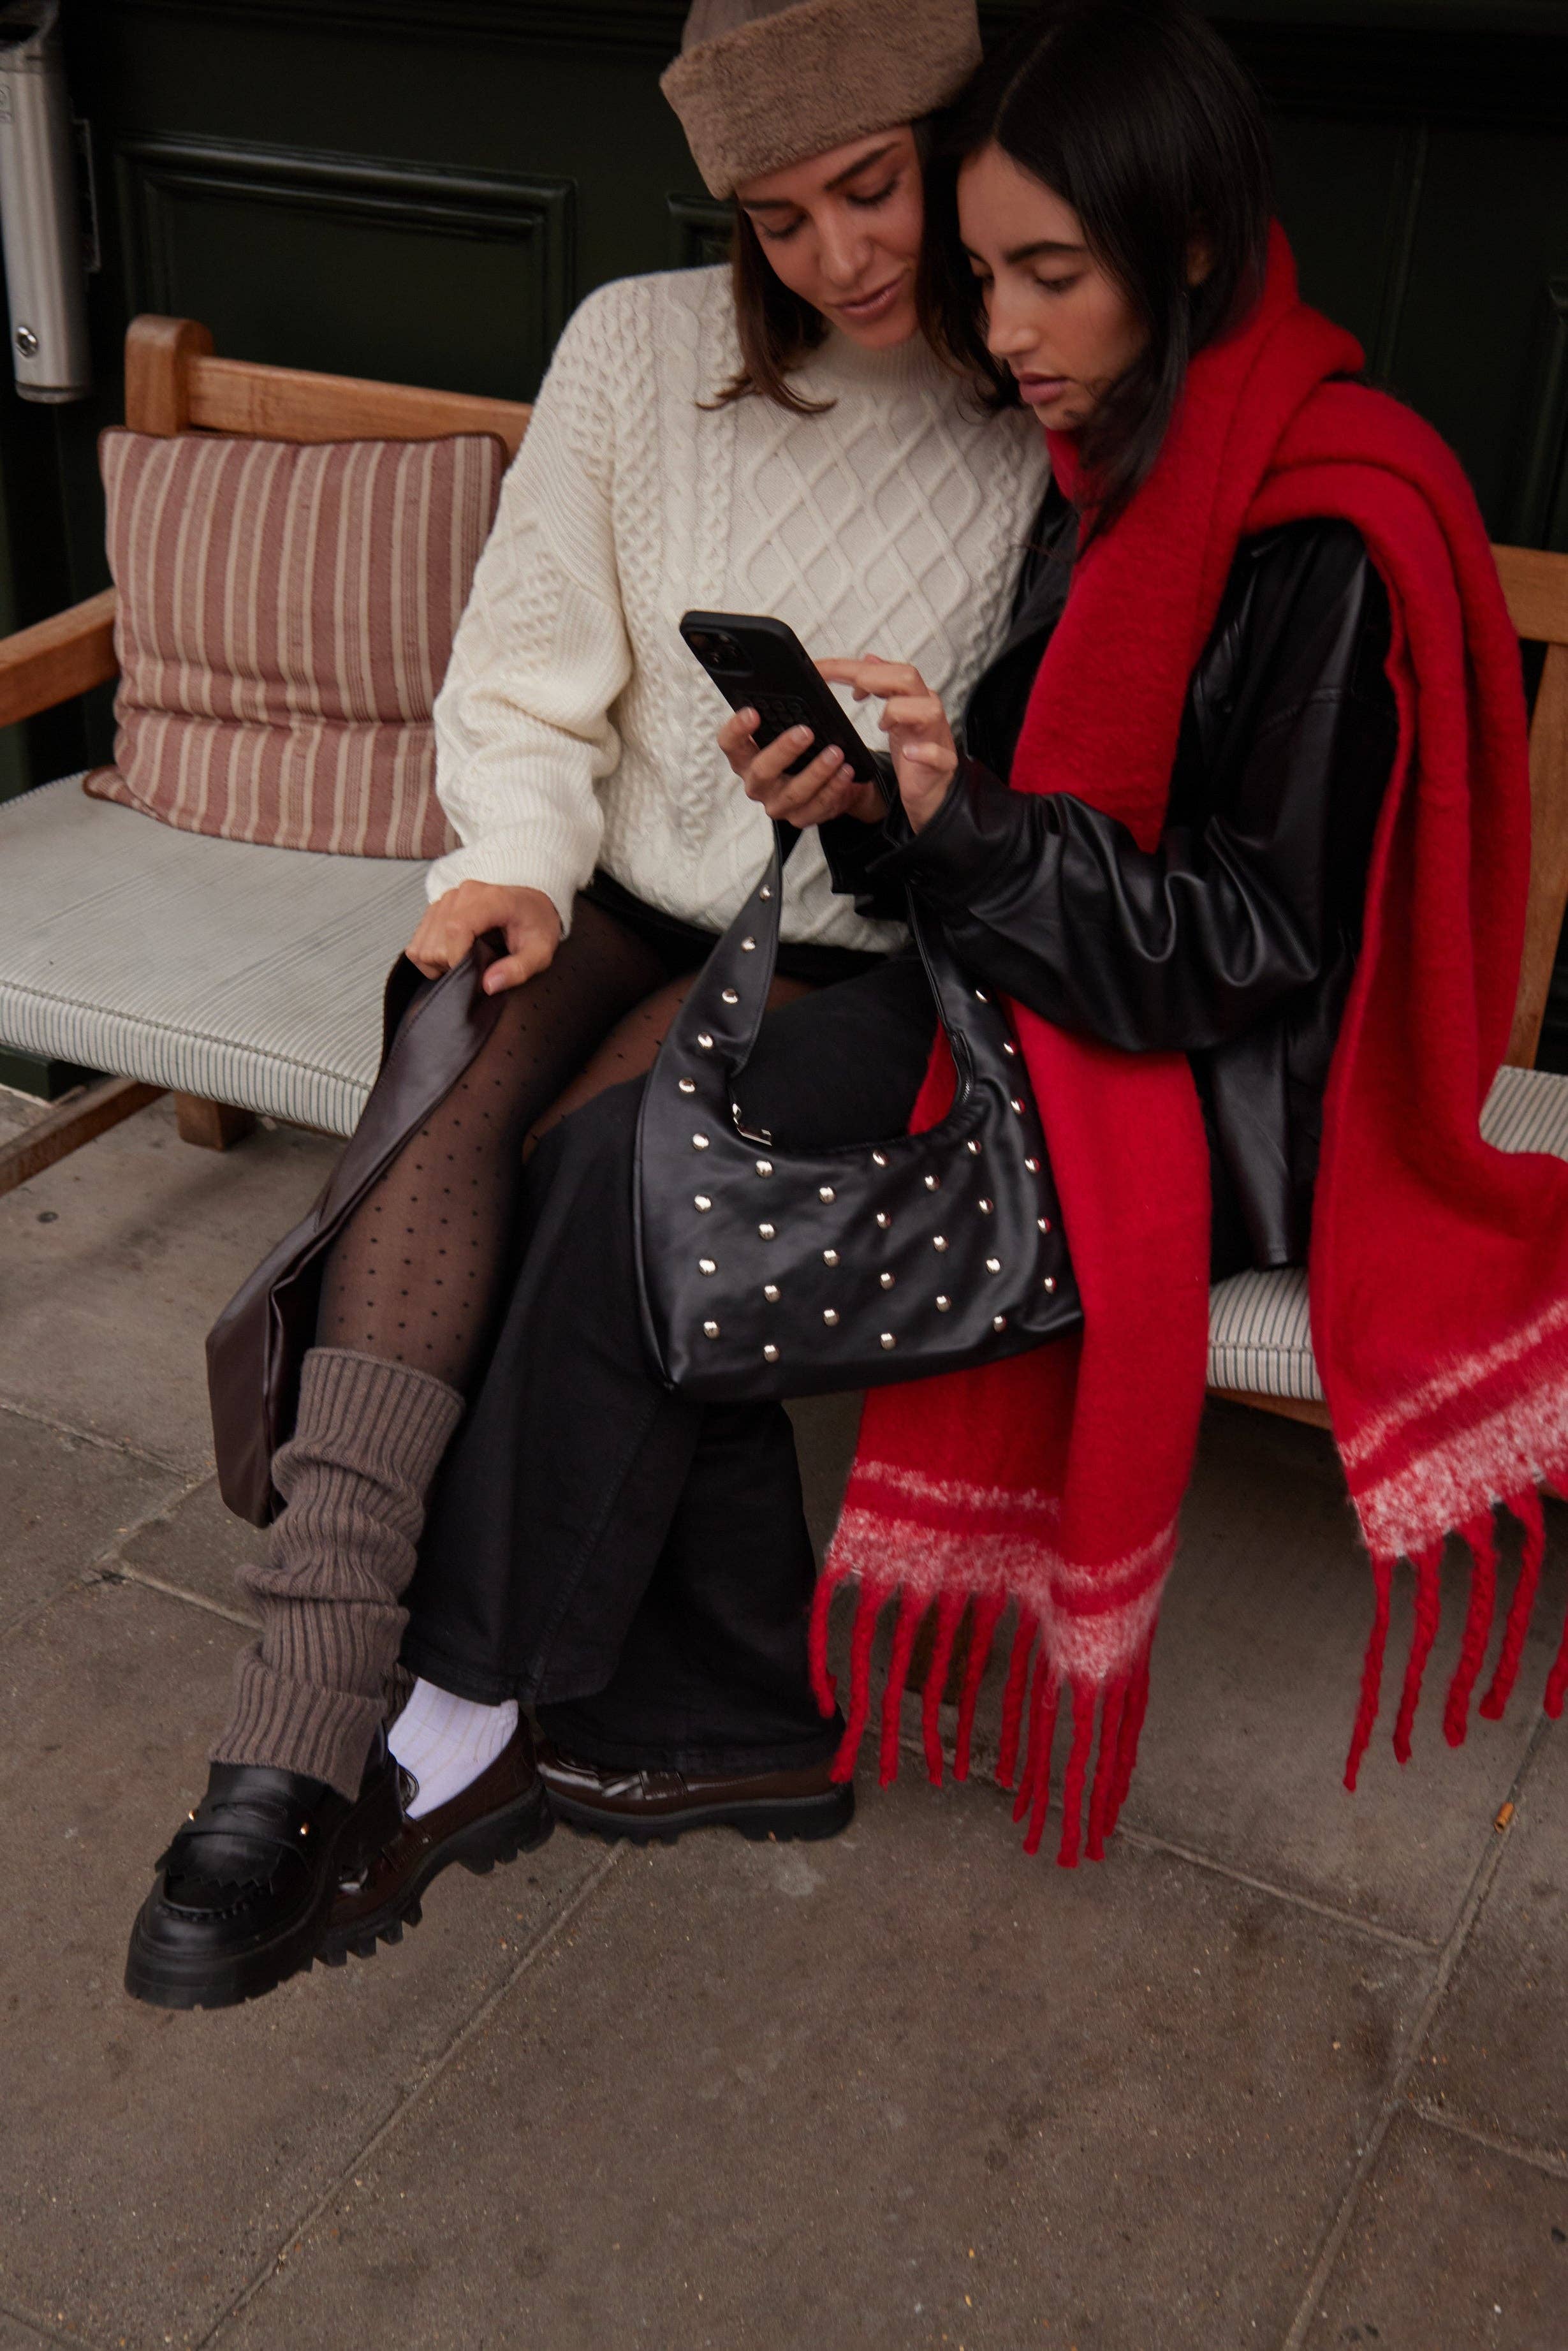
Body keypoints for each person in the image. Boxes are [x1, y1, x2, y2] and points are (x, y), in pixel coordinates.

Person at [123, 0, 1049, 2012]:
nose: (833, 255)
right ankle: (296, 1710)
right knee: (446, 1069)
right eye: (775, 217)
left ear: (958, 134)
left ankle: (452, 1716)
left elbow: (1068, 786)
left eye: (870, 187)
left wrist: (901, 792)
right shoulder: (637, 345)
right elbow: (527, 662)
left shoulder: (1047, 382)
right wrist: (515, 865)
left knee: (606, 1169)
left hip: (862, 943)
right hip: (620, 887)